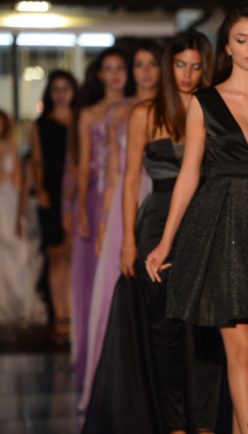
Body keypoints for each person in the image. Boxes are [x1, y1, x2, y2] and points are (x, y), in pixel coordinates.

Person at [145, 6, 248, 433]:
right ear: (227, 48)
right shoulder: (205, 102)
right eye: (242, 40)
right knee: (242, 351)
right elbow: (189, 175)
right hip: (222, 229)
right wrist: (165, 241)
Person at [82, 31, 231, 434]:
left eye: (196, 66)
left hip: (206, 221)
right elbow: (131, 180)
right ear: (169, 67)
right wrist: (127, 240)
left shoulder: (218, 110)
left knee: (206, 327)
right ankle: (175, 425)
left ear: (206, 67)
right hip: (156, 222)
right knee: (164, 328)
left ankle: (205, 425)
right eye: (180, 65)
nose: (187, 74)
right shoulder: (145, 114)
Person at [79, 39, 161, 410]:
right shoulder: (118, 111)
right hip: (126, 203)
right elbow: (112, 172)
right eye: (139, 65)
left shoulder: (176, 106)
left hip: (162, 196)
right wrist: (102, 223)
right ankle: (113, 387)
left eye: (151, 64)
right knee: (116, 288)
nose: (145, 72)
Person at [70, 47, 128, 388]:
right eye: (108, 68)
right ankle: (96, 358)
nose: (115, 74)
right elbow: (82, 164)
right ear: (100, 74)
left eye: (120, 67)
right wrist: (80, 208)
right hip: (96, 199)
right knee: (95, 278)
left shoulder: (138, 106)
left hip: (128, 195)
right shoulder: (89, 114)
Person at [30, 70, 78, 336]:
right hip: (51, 189)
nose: (61, 93)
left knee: (73, 252)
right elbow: (37, 161)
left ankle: (73, 310)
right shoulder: (40, 124)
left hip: (78, 191)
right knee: (55, 253)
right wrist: (40, 189)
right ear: (49, 92)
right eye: (56, 88)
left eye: (65, 88)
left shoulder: (81, 119)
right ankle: (60, 314)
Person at [0, 109, 46, 324]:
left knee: (16, 251)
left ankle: (20, 303)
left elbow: (19, 184)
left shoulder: (13, 149)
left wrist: (20, 214)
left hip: (8, 204)